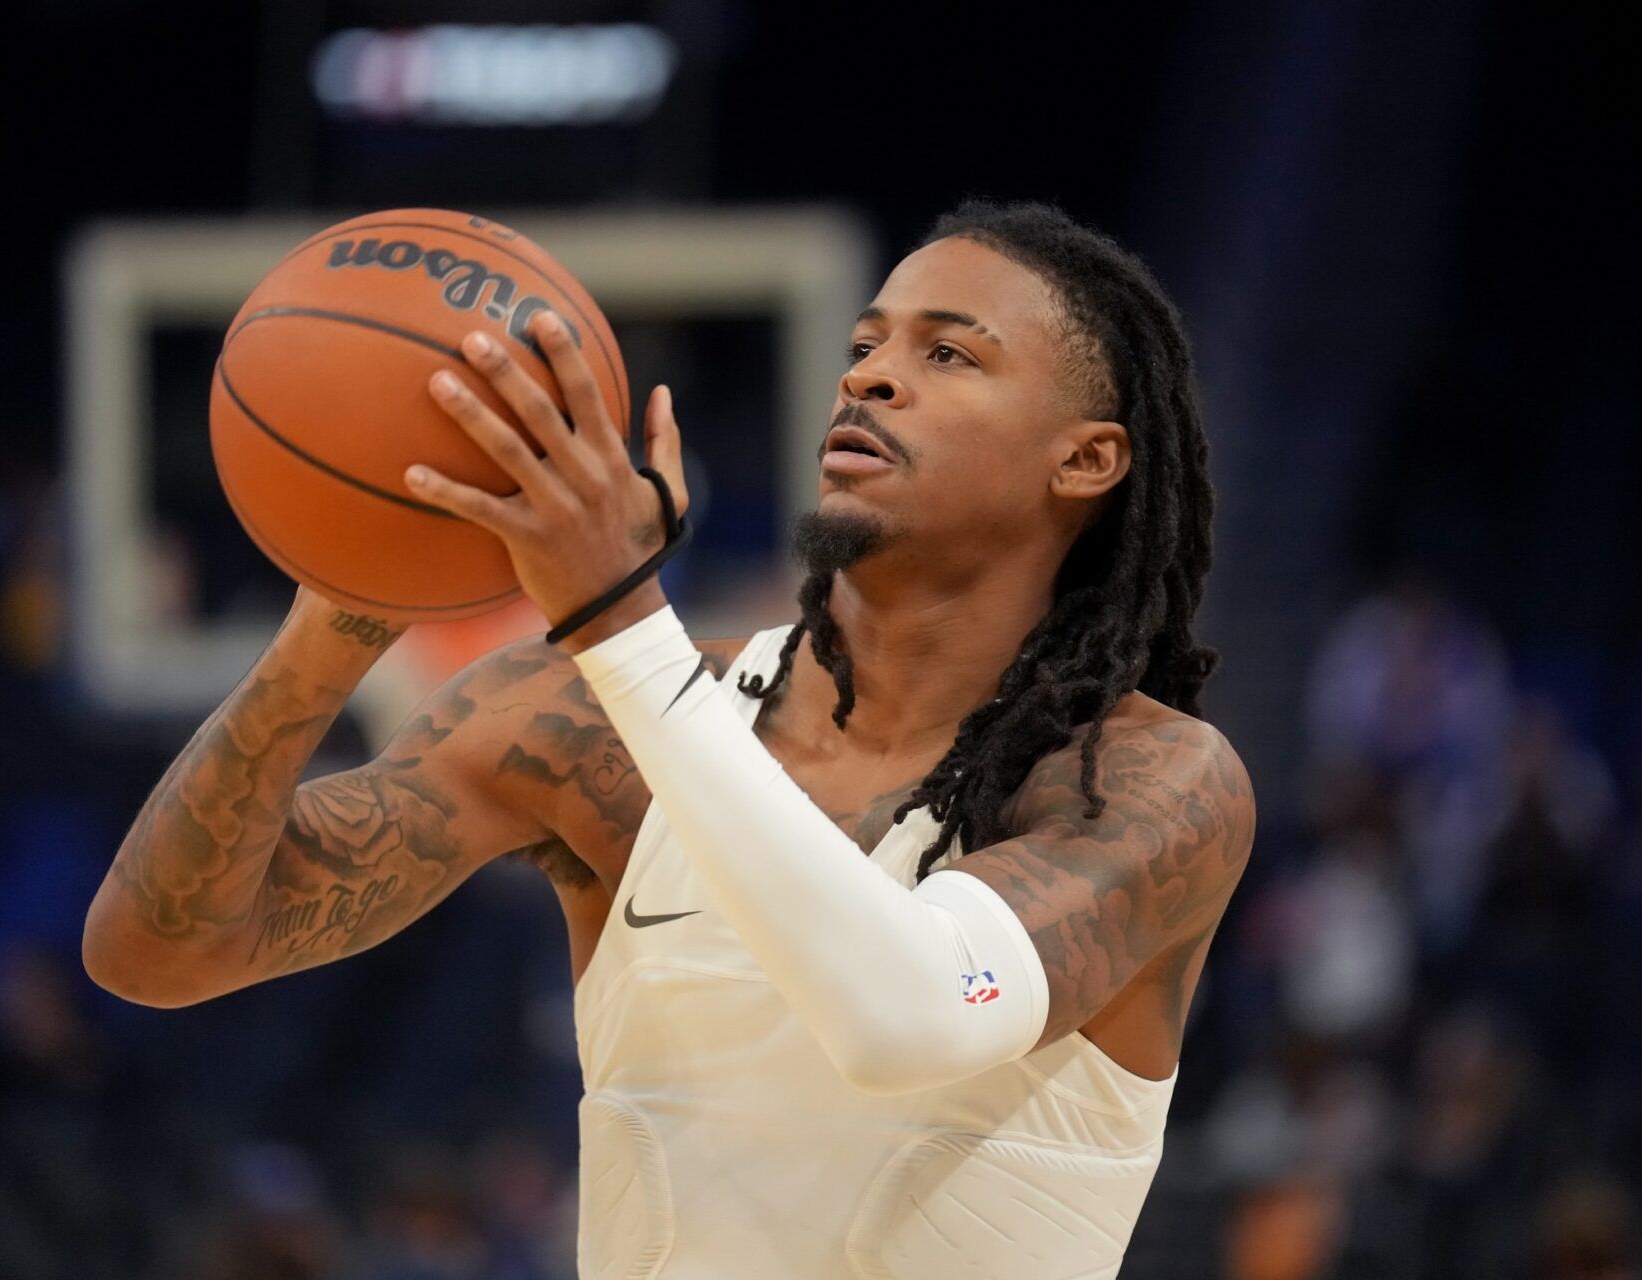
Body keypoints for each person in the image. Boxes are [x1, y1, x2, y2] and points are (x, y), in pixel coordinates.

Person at [83, 199, 1256, 1279]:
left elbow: (907, 1013)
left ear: (1087, 457)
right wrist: (346, 606)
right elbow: (157, 950)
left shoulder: (1149, 783)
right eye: (865, 346)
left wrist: (616, 618)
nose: (874, 378)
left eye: (947, 353)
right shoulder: (584, 718)